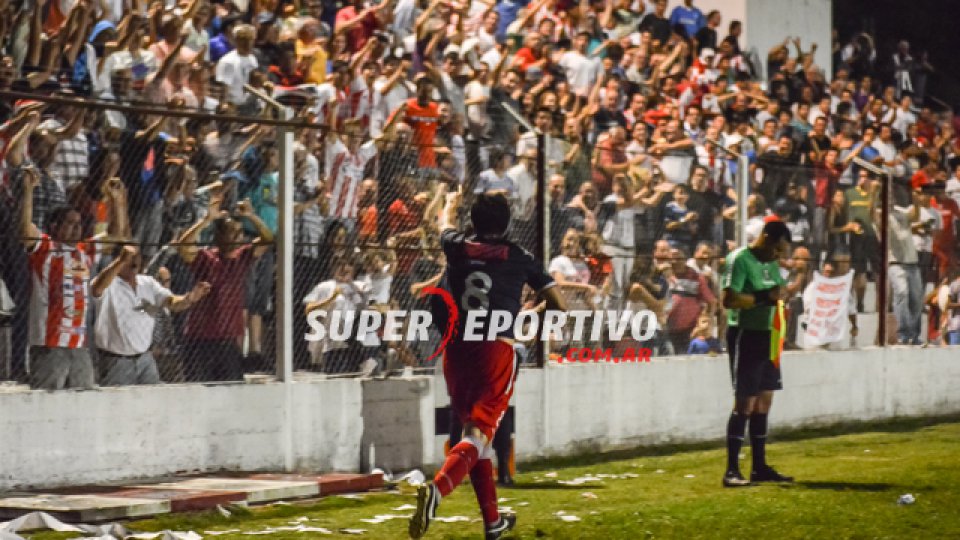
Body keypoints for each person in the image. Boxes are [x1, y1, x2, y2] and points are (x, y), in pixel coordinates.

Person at [409, 191, 567, 539]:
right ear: (508, 223)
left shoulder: (456, 246)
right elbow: (559, 304)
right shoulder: (520, 257)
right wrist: (531, 312)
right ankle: (436, 490)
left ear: (474, 221)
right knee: (479, 434)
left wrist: (449, 202)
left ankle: (492, 522)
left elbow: (444, 223)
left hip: (456, 349)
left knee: (472, 434)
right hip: (495, 350)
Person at [720, 219, 793, 487]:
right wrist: (765, 298)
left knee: (764, 402)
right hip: (746, 335)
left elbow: (776, 291)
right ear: (764, 239)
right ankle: (731, 470)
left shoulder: (770, 263)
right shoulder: (739, 260)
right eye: (777, 249)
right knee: (744, 405)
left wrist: (782, 295)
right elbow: (729, 299)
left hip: (769, 337)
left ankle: (759, 467)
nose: (778, 256)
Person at [91, 245, 211, 385]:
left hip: (145, 359)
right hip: (116, 361)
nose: (135, 261)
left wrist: (189, 298)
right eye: (130, 258)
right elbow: (97, 288)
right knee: (117, 404)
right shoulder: (110, 284)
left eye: (137, 256)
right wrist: (121, 261)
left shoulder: (147, 282)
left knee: (151, 402)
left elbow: (171, 302)